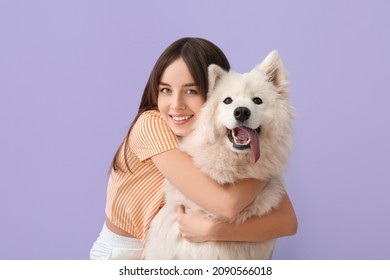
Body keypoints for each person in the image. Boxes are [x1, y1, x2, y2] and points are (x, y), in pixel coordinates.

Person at [90, 37, 297, 260]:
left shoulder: (219, 136)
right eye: (166, 90)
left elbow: (286, 222)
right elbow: (226, 205)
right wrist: (267, 160)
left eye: (190, 91)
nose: (177, 104)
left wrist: (213, 230)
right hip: (123, 254)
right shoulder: (151, 125)